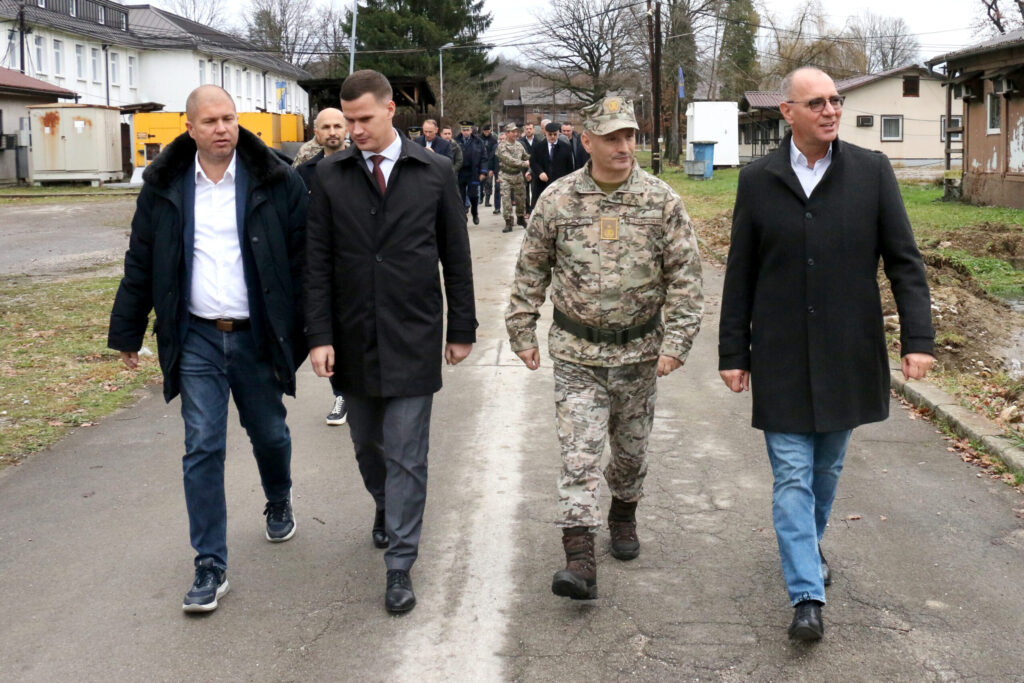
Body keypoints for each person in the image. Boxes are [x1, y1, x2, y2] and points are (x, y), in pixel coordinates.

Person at [718, 67, 935, 641]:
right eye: (816, 103)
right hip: (781, 354)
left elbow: (904, 262)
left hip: (847, 351)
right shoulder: (758, 179)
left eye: (835, 100)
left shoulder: (871, 171)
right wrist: (732, 351)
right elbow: (739, 274)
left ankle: (807, 549)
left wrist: (919, 341)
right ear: (786, 112)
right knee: (791, 476)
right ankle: (806, 595)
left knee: (826, 469)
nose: (831, 110)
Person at [108, 85, 308, 613]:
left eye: (230, 118)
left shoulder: (277, 180)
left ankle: (278, 494)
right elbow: (141, 260)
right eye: (211, 121)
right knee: (202, 445)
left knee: (268, 431)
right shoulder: (165, 186)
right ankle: (210, 562)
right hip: (194, 333)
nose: (223, 128)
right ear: (190, 128)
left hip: (257, 334)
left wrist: (315, 333)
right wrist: (127, 331)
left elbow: (304, 260)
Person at [506, 96, 704, 601]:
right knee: (579, 454)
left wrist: (678, 341)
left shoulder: (661, 201)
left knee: (630, 454)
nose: (624, 146)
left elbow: (685, 278)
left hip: (639, 354)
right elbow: (532, 268)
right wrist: (522, 329)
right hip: (577, 354)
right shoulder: (557, 200)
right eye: (612, 137)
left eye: (630, 136)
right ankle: (579, 558)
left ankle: (623, 513)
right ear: (587, 140)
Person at [305, 69, 478, 614]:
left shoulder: (434, 171)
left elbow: (456, 255)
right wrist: (319, 336)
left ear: (388, 110)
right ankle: (385, 505)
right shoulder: (329, 177)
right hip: (353, 335)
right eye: (346, 120)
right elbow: (316, 264)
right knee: (367, 444)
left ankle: (400, 564)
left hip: (413, 331)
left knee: (408, 452)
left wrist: (463, 328)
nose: (353, 130)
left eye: (362, 119)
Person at [296, 108, 351, 426]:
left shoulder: (363, 166)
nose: (332, 132)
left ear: (346, 129)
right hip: (321, 265)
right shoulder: (305, 173)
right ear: (316, 133)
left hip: (357, 263)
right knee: (330, 331)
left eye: (337, 126)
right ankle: (341, 393)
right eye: (325, 127)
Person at [496, 122, 531, 233]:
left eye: (516, 132)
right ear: (507, 133)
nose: (515, 134)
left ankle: (520, 218)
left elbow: (526, 156)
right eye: (513, 132)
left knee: (521, 198)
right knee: (506, 199)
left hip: (518, 175)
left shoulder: (519, 145)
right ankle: (508, 221)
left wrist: (533, 159)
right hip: (505, 175)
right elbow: (509, 160)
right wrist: (524, 164)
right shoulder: (502, 146)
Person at [529, 121, 574, 201]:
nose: (552, 137)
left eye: (555, 134)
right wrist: (540, 172)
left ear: (558, 133)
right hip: (542, 184)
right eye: (550, 134)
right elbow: (533, 162)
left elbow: (570, 167)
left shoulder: (566, 147)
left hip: (559, 184)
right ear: (545, 133)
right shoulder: (538, 147)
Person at [455, 120, 487, 225]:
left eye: (467, 130)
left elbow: (483, 158)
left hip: (473, 172)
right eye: (463, 130)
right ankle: (463, 216)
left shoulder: (478, 141)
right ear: (461, 130)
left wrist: (483, 172)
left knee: (474, 196)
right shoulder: (456, 141)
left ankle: (474, 212)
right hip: (460, 172)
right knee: (461, 196)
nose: (465, 132)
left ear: (471, 130)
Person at [519, 122, 536, 215]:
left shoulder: (539, 140)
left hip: (535, 169)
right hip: (523, 169)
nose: (528, 130)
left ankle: (534, 209)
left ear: (533, 129)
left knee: (534, 190)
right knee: (524, 191)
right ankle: (527, 210)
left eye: (530, 128)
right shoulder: (520, 141)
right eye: (527, 129)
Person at [479, 123, 498, 207]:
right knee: (481, 182)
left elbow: (494, 153)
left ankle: (487, 200)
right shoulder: (479, 139)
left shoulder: (493, 139)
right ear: (483, 131)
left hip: (489, 163)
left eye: (488, 131)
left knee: (489, 182)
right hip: (480, 163)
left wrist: (492, 167)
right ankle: (481, 196)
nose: (487, 133)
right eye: (485, 131)